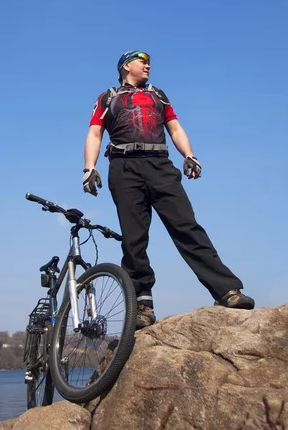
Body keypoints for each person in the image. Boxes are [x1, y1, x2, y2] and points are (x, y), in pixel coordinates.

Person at [83, 50, 254, 329]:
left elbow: (174, 128)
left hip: (160, 165)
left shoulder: (159, 96)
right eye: (142, 61)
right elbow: (94, 133)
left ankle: (227, 291)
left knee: (187, 227)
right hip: (124, 168)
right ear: (127, 66)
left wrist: (190, 155)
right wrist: (89, 169)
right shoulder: (108, 97)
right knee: (134, 238)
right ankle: (142, 305)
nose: (148, 65)